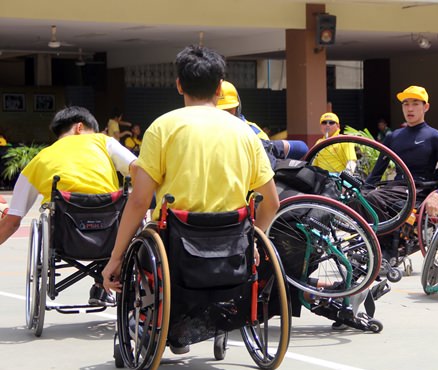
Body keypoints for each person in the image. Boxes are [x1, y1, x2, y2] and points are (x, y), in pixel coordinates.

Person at [101, 46, 279, 354]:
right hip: (232, 241)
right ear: (220, 86)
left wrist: (115, 258)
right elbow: (272, 202)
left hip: (176, 242)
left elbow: (140, 200)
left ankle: (151, 325)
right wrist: (253, 243)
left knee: (144, 242)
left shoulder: (163, 127)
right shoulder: (246, 133)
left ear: (179, 84)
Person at [0, 106, 136, 306]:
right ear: (80, 127)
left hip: (65, 237)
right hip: (111, 235)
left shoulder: (39, 160)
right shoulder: (103, 141)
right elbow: (137, 167)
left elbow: (11, 222)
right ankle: (108, 286)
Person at [365, 85, 438, 263]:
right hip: (396, 188)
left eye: (415, 103)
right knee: (365, 198)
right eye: (406, 104)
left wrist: (437, 195)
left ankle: (385, 248)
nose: (410, 108)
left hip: (421, 190)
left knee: (374, 198)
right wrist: (360, 191)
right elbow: (376, 173)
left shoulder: (435, 137)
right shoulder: (393, 137)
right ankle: (378, 245)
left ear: (426, 107)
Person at [217, 80, 308, 163]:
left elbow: (301, 148)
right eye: (220, 110)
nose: (225, 115)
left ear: (238, 108)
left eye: (229, 110)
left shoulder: (253, 132)